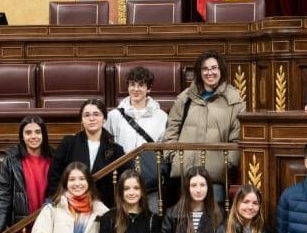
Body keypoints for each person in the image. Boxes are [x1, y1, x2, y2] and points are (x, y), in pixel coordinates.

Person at [163, 50, 245, 203]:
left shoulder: (234, 101)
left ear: (221, 70)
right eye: (205, 69)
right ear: (199, 72)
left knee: (214, 221)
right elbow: (171, 130)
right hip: (184, 173)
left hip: (215, 177)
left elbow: (238, 138)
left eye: (214, 68)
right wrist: (173, 156)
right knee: (184, 220)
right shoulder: (185, 98)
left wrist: (226, 164)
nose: (210, 73)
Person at [105, 66, 168, 212]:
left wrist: (159, 172)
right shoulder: (115, 116)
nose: (136, 89)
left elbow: (165, 149)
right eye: (132, 84)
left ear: (149, 89)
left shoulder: (161, 116)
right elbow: (108, 146)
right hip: (124, 181)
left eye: (141, 85)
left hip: (151, 182)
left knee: (151, 222)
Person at [47, 99, 125, 208]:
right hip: (70, 206)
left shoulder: (117, 150)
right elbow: (54, 175)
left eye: (96, 114)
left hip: (104, 208)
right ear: (82, 120)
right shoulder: (68, 143)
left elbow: (123, 181)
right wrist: (60, 199)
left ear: (104, 119)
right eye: (86, 115)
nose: (91, 118)